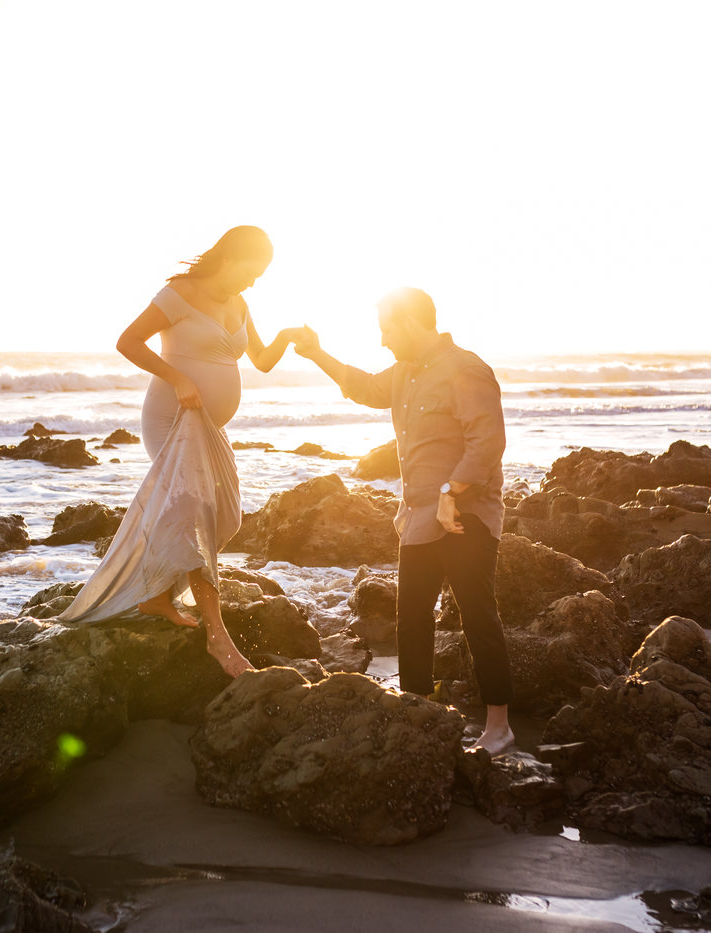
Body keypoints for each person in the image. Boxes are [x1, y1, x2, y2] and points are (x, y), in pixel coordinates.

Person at [57, 226, 304, 678]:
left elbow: (263, 359)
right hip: (172, 418)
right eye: (252, 271)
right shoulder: (178, 293)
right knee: (194, 510)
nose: (253, 282)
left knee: (224, 514)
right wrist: (178, 378)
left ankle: (155, 595)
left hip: (210, 427)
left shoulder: (241, 303)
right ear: (230, 258)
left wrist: (288, 335)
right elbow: (128, 341)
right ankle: (217, 637)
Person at [292, 288, 515, 753]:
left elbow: (488, 440)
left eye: (388, 330)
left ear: (413, 322)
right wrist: (316, 354)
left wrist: (452, 493)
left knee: (478, 617)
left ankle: (499, 726)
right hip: (417, 517)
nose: (383, 342)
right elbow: (363, 387)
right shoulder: (405, 373)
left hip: (465, 517)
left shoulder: (466, 370)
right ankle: (419, 710)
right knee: (412, 618)